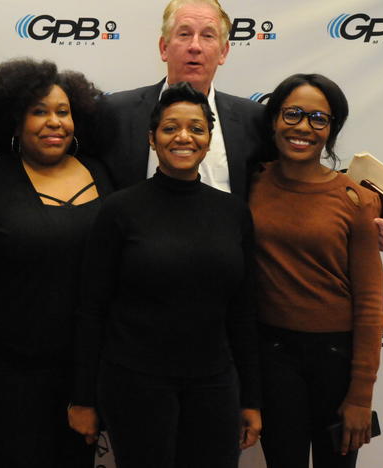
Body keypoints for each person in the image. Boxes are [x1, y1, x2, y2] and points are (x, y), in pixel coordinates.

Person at [97, 0, 383, 248]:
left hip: (229, 287)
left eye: (207, 36)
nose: (195, 46)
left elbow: (298, 186)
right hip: (133, 286)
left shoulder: (254, 120)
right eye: (183, 34)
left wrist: (369, 220)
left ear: (224, 51)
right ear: (164, 47)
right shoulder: (115, 113)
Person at [73, 82, 260, 468]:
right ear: (152, 139)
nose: (183, 137)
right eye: (170, 127)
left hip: (214, 382)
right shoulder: (119, 210)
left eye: (196, 128)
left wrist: (251, 399)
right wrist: (83, 397)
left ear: (209, 140)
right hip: (134, 382)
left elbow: (243, 312)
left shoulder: (233, 213)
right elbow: (92, 308)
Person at [0, 59, 111, 468]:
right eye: (39, 111)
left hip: (88, 367)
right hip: (11, 372)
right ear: (14, 119)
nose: (54, 122)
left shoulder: (101, 174)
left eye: (63, 111)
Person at [249, 74, 383, 468]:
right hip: (271, 355)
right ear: (274, 119)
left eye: (318, 119)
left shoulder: (355, 199)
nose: (303, 127)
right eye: (292, 113)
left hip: (335, 361)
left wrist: (361, 395)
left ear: (331, 130)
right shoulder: (252, 182)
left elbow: (371, 302)